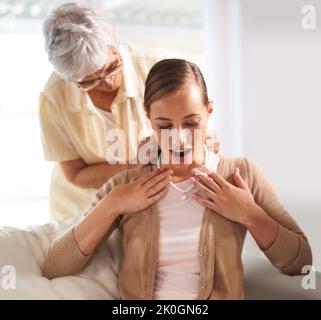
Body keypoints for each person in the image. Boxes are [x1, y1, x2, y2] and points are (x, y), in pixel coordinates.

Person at [42, 58, 312, 299]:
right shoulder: (125, 186)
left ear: (210, 111)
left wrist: (250, 214)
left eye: (192, 123)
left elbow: (300, 262)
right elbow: (56, 265)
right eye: (165, 125)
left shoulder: (240, 174)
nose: (179, 138)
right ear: (149, 118)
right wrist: (112, 204)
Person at [39, 2, 219, 222]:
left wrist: (200, 140)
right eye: (89, 81)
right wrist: (138, 164)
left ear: (114, 45)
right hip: (79, 210)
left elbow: (194, 127)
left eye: (111, 67)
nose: (107, 82)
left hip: (149, 208)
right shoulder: (54, 98)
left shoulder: (155, 68)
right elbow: (75, 174)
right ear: (70, 79)